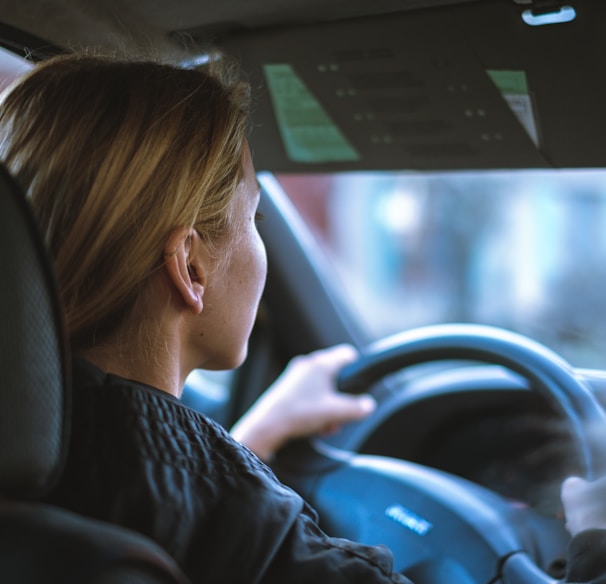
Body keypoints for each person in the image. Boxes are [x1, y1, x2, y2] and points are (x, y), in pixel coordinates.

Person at [0, 52, 605, 583]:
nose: (259, 246)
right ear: (191, 267)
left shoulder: (40, 463)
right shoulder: (249, 532)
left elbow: (155, 494)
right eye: (255, 220)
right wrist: (594, 543)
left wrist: (248, 444)